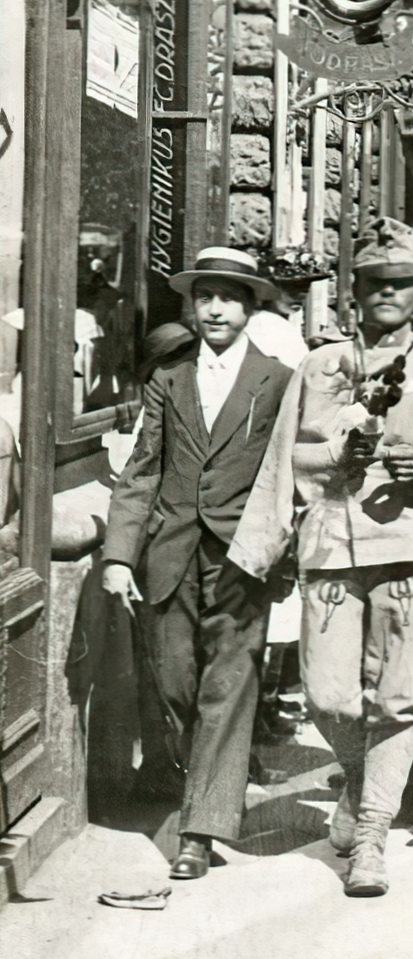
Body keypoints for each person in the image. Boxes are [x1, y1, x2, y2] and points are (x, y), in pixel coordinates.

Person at [229, 218, 413, 898]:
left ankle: (370, 834)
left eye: (401, 283)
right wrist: (267, 544)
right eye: (375, 283)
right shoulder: (320, 365)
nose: (387, 294)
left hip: (409, 550)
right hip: (330, 547)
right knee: (329, 694)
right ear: (355, 289)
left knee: (398, 701)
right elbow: (289, 456)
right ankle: (366, 783)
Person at [102, 248, 294, 879]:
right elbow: (141, 470)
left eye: (230, 298)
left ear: (250, 308)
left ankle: (200, 829)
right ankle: (205, 783)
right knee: (175, 679)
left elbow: (288, 476)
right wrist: (119, 556)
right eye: (205, 296)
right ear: (192, 305)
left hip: (242, 558)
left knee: (228, 687)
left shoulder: (278, 381)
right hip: (171, 551)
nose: (215, 308)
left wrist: (278, 553)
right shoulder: (170, 378)